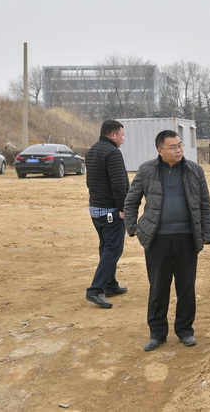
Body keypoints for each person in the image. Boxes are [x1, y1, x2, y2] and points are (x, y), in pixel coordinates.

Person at [124, 130, 210, 351]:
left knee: (186, 287)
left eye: (180, 145)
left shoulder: (194, 170)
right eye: (173, 147)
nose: (179, 150)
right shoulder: (146, 170)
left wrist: (206, 234)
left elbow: (204, 204)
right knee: (158, 288)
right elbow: (131, 200)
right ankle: (157, 334)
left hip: (187, 238)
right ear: (160, 150)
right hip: (157, 239)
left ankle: (185, 331)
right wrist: (133, 228)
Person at [85, 119, 129, 309]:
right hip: (110, 210)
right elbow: (119, 184)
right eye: (122, 135)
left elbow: (90, 182)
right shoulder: (113, 152)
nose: (123, 138)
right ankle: (95, 290)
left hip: (96, 209)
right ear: (113, 135)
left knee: (106, 247)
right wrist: (123, 208)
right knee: (113, 249)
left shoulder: (92, 151)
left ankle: (110, 285)